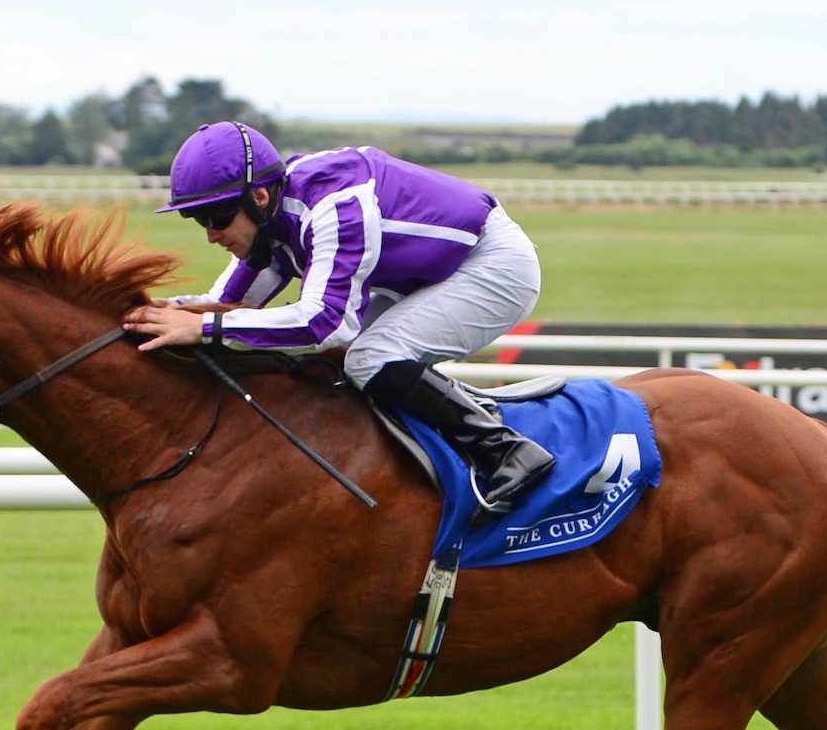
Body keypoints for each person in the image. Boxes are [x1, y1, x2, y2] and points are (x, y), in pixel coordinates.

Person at [123, 121, 555, 513]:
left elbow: (324, 323)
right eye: (197, 219)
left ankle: (506, 450)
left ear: (259, 197)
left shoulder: (334, 207)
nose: (211, 234)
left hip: (491, 265)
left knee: (368, 357)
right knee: (343, 360)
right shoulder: (269, 221)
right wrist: (161, 312)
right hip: (429, 272)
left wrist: (203, 326)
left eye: (217, 217)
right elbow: (224, 307)